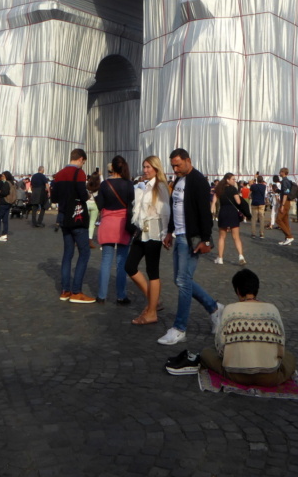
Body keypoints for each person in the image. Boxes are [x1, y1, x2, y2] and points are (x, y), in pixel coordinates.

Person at [168, 269, 297, 385]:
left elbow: (220, 349)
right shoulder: (272, 309)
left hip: (235, 375)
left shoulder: (229, 310)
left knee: (207, 353)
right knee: (290, 357)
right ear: (256, 289)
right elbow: (280, 347)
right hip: (270, 376)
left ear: (237, 291)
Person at [158, 148, 223, 346]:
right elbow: (174, 207)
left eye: (178, 165)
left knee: (183, 281)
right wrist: (169, 231)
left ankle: (179, 328)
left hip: (192, 237)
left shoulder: (198, 181)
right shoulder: (178, 180)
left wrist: (206, 239)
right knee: (180, 280)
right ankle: (214, 308)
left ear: (188, 160)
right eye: (173, 166)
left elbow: (205, 213)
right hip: (179, 235)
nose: (175, 169)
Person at [126, 155, 170, 324]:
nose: (145, 170)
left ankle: (152, 311)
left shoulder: (160, 187)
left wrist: (166, 234)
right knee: (129, 266)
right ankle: (153, 301)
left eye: (148, 167)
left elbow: (165, 212)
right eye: (144, 167)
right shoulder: (143, 186)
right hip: (141, 232)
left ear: (156, 168)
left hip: (154, 233)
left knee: (153, 271)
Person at [51, 148, 95, 303]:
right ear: (81, 159)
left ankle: (65, 290)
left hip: (63, 216)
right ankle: (76, 291)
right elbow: (82, 194)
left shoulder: (59, 174)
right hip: (77, 216)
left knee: (67, 253)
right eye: (83, 162)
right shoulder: (79, 173)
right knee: (84, 252)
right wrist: (87, 194)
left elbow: (54, 197)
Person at [95, 155, 134, 305]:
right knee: (121, 261)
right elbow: (132, 206)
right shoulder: (129, 184)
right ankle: (121, 295)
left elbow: (101, 205)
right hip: (123, 224)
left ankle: (101, 295)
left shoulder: (105, 184)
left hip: (107, 223)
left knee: (106, 261)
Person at [212, 174, 246, 265]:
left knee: (222, 237)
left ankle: (220, 258)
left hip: (223, 212)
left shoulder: (220, 189)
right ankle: (240, 256)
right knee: (236, 237)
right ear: (227, 180)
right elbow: (238, 202)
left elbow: (215, 196)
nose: (234, 181)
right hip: (232, 212)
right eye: (233, 179)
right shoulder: (233, 189)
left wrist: (213, 205)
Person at [0, 171, 15, 242]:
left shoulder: (6, 183)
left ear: (6, 176)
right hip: (9, 203)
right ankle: (4, 234)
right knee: (5, 219)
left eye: (3, 176)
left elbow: (4, 192)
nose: (2, 177)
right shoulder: (12, 183)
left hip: (4, 202)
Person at [276, 167, 294, 245]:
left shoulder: (284, 181)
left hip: (285, 202)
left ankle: (289, 236)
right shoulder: (288, 181)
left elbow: (286, 193)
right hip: (287, 202)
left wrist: (282, 205)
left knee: (278, 219)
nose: (279, 173)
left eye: (280, 172)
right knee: (285, 220)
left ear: (283, 172)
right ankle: (288, 238)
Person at [249, 175, 267, 239]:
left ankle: (253, 233)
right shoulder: (264, 186)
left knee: (254, 219)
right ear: (262, 181)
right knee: (262, 218)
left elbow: (250, 183)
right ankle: (261, 233)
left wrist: (254, 178)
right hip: (261, 203)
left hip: (254, 203)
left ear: (257, 180)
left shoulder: (253, 186)